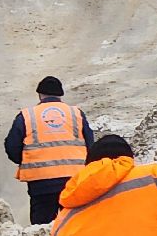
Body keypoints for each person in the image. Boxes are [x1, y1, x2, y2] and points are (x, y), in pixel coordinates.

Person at [5, 76, 95, 225]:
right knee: (75, 225)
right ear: (60, 95)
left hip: (41, 184)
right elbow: (91, 145)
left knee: (43, 230)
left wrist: (29, 160)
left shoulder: (27, 116)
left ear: (39, 95)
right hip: (74, 181)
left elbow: (12, 147)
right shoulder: (76, 114)